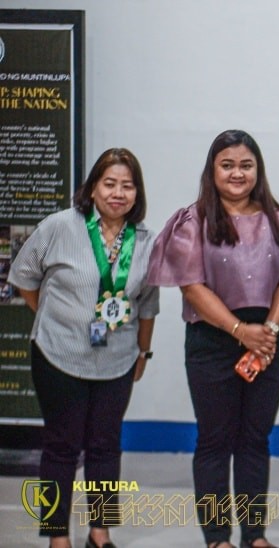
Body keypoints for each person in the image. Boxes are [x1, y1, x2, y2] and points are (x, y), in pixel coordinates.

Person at [148, 130, 279, 548]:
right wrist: (238, 330)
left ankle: (255, 535)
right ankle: (217, 537)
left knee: (255, 441)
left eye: (246, 165)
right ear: (212, 170)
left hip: (266, 342)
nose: (237, 173)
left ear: (258, 170)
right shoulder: (192, 221)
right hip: (211, 341)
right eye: (227, 165)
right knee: (214, 441)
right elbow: (192, 286)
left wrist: (268, 330)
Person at [9, 148, 159, 548]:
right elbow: (24, 277)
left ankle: (100, 533)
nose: (118, 193)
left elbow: (148, 304)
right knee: (61, 446)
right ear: (93, 188)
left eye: (127, 186)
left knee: (106, 447)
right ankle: (58, 536)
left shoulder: (146, 240)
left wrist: (143, 352)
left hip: (118, 359)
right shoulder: (60, 226)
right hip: (57, 355)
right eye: (109, 184)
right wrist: (56, 317)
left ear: (137, 193)